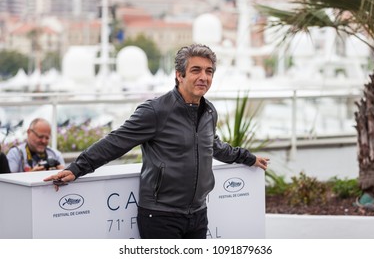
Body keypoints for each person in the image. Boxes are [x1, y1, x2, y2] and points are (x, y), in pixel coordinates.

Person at [44, 44, 269, 239]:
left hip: (198, 214)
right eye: (196, 70)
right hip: (161, 216)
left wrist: (248, 158)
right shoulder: (155, 111)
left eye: (209, 71)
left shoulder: (209, 111)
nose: (204, 77)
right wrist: (76, 168)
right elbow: (116, 142)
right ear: (179, 75)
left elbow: (214, 145)